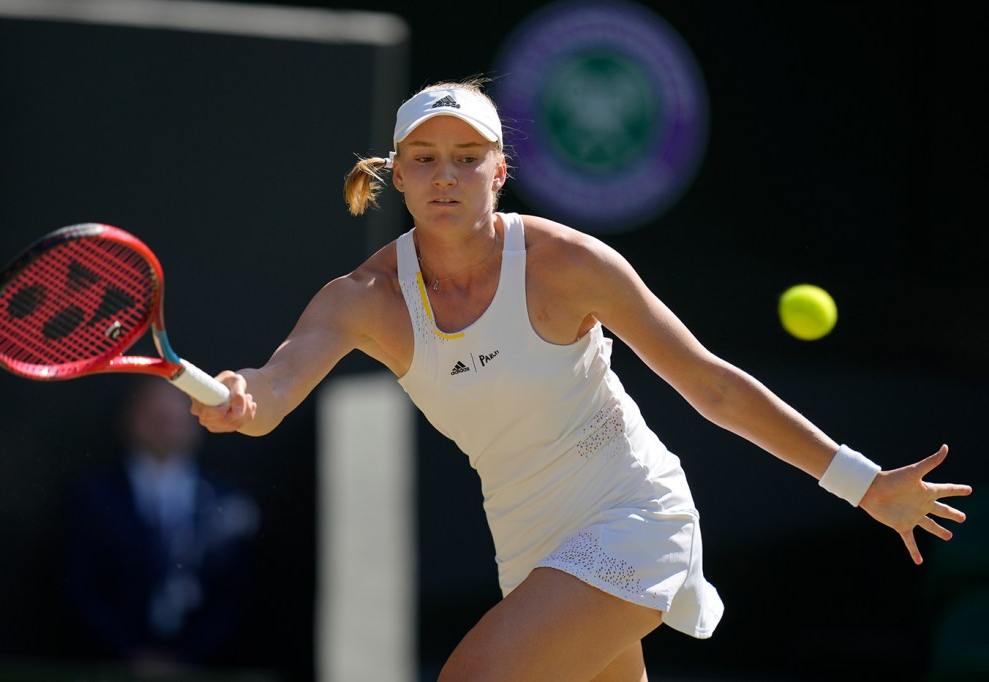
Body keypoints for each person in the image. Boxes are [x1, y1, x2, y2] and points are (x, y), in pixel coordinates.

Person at [191, 79, 972, 681]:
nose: (446, 177)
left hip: (632, 512)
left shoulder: (570, 264)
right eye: (425, 160)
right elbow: (271, 393)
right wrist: (241, 399)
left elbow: (711, 386)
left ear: (501, 169)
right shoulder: (363, 300)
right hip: (525, 540)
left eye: (467, 158)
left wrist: (862, 483)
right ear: (397, 176)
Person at [64, 377, 260, 673]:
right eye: (154, 412)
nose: (166, 418)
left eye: (177, 411)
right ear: (129, 418)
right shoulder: (91, 499)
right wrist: (131, 655)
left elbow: (237, 598)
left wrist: (187, 660)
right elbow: (79, 588)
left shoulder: (231, 505)